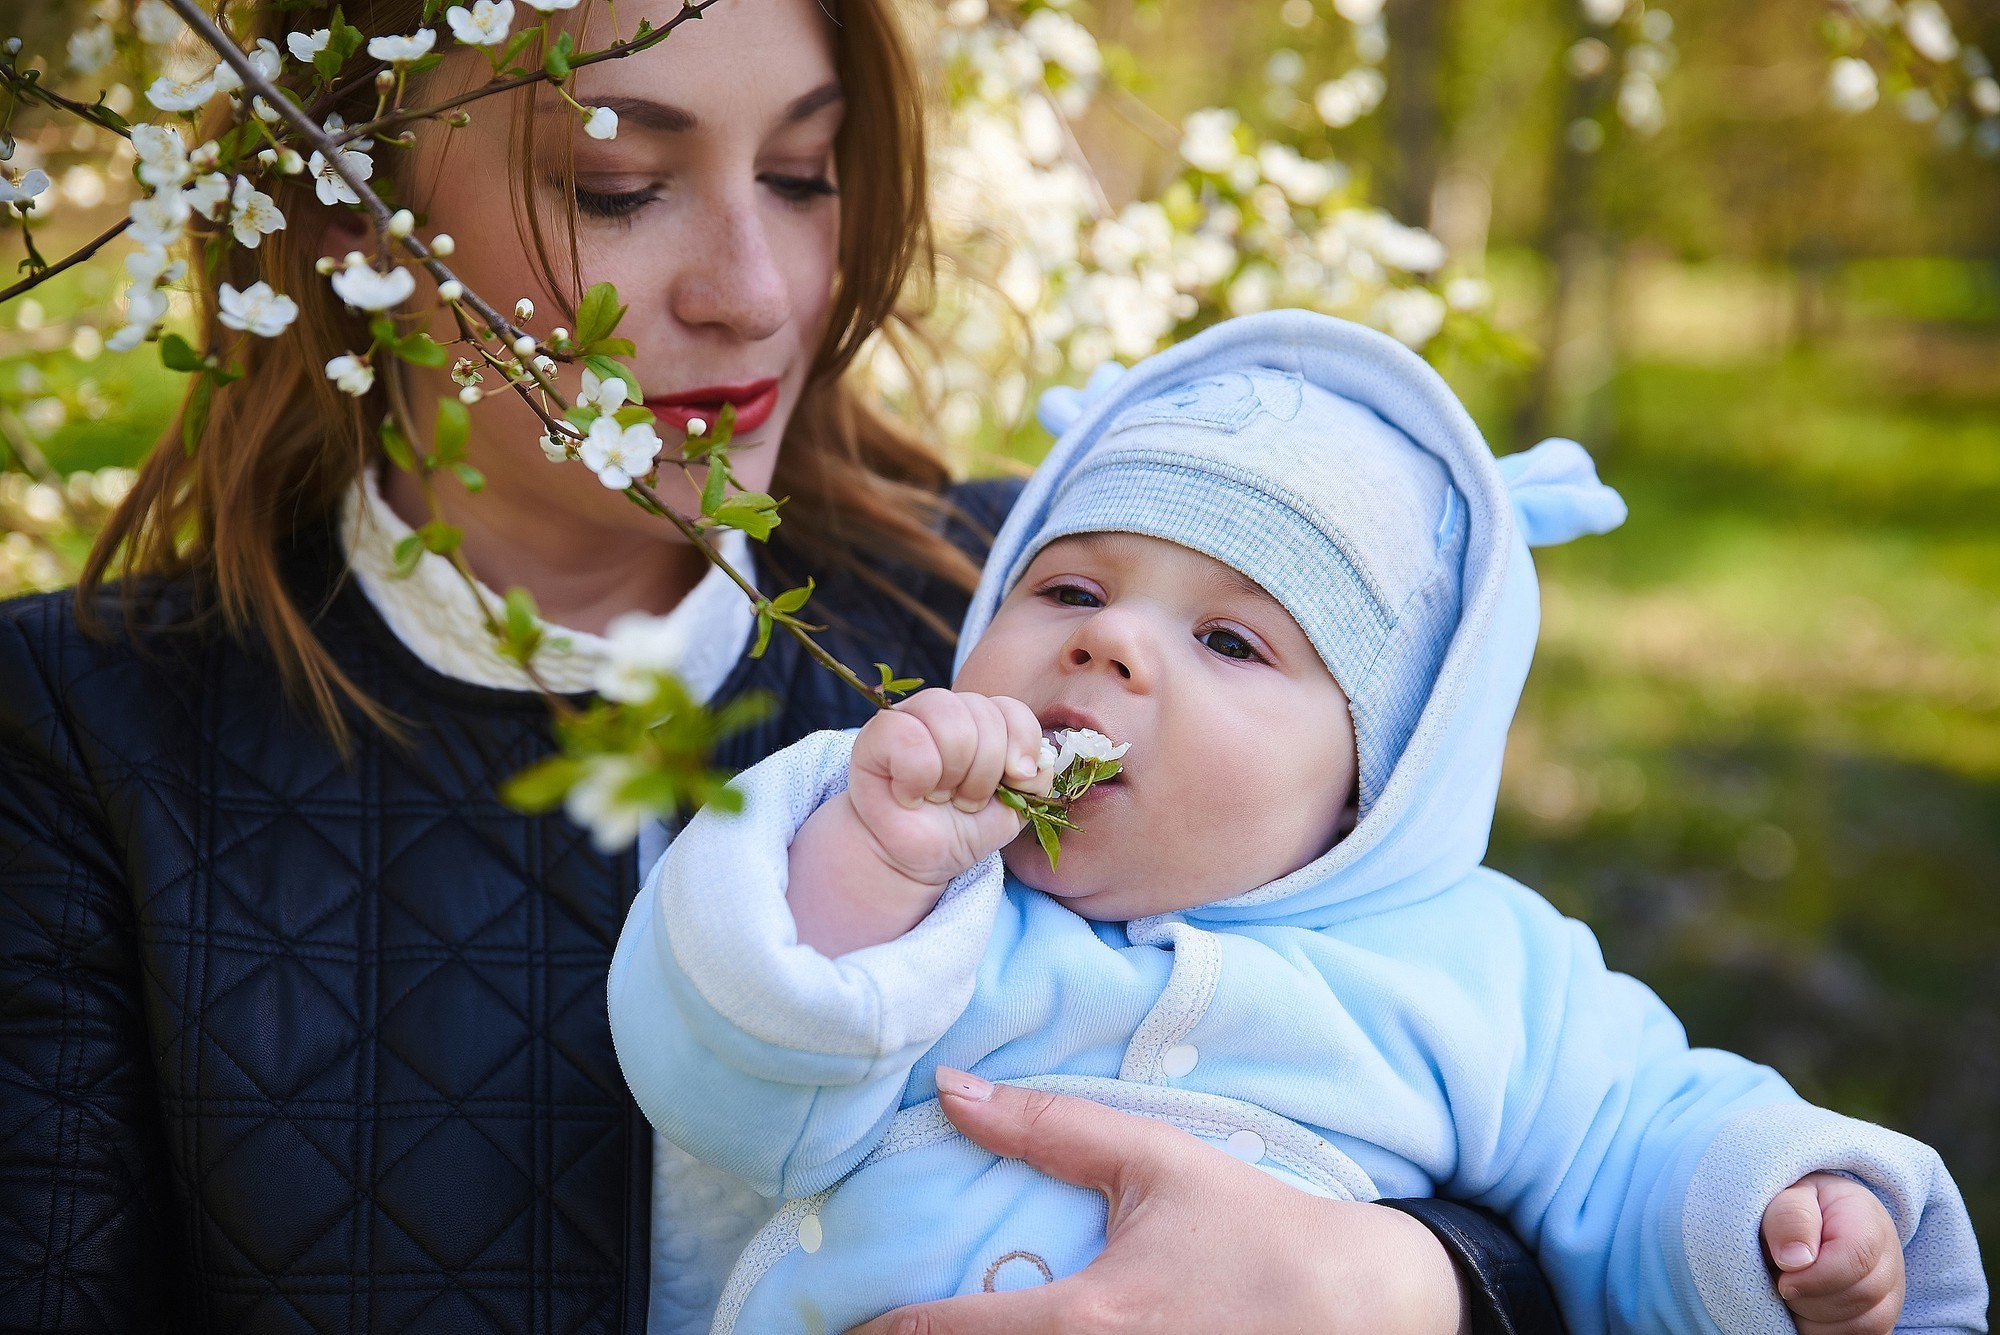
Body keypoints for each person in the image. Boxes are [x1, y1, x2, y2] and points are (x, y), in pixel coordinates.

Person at [0, 1, 1562, 1331]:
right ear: (343, 220)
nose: (749, 290)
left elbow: (1486, 1042)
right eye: (618, 185)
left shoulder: (1039, 615)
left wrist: (1405, 1286)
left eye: (805, 174)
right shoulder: (84, 732)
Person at [608, 311, 1989, 1334]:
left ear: (1377, 775)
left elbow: (1640, 1141)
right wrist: (871, 859)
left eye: (1229, 640)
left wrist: (1781, 1215)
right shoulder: (931, 881)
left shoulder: (1479, 969)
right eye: (1073, 595)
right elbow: (728, 1088)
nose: (1115, 651)